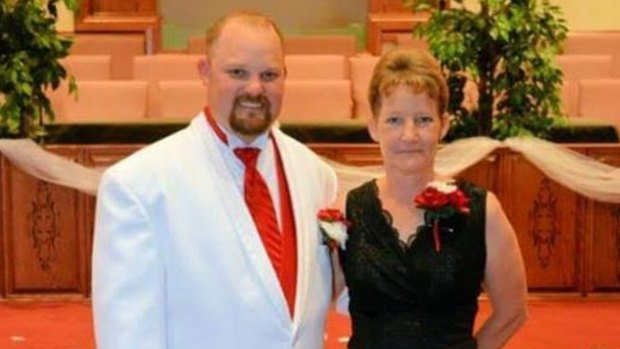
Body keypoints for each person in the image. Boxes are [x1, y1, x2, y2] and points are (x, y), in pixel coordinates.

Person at [92, 11, 337, 349]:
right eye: (238, 72)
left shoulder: (316, 175)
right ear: (204, 72)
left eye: (269, 75)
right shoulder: (138, 185)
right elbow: (129, 333)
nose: (255, 88)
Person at [334, 47, 528, 349]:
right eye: (394, 120)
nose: (409, 135)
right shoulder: (347, 210)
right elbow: (314, 301)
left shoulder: (482, 211)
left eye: (423, 120)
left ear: (444, 125)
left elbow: (512, 313)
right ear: (374, 127)